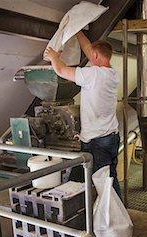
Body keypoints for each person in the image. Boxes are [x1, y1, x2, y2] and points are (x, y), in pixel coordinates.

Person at [44, 31, 121, 197]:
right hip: (110, 137)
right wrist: (76, 30)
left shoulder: (93, 75)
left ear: (95, 55)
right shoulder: (112, 74)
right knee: (109, 178)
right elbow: (89, 49)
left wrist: (53, 57)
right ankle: (109, 215)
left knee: (105, 184)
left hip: (97, 141)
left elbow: (62, 71)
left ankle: (114, 219)